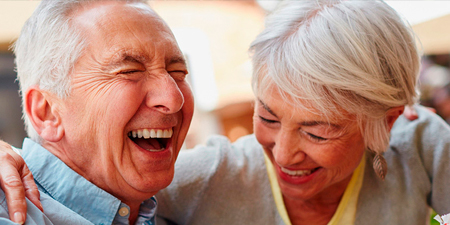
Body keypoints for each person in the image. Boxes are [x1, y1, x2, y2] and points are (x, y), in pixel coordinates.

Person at [1, 0, 450, 225]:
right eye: (269, 118)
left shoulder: (142, 207)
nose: (174, 100)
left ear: (387, 122)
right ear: (45, 110)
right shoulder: (203, 177)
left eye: (319, 130)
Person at [0, 0, 193, 224]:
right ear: (47, 112)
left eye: (177, 71)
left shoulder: (178, 209)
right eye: (129, 71)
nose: (173, 98)